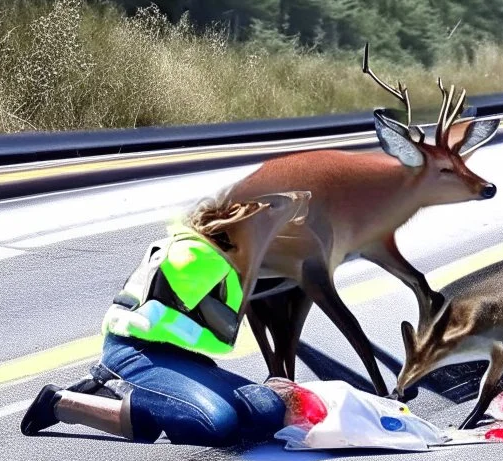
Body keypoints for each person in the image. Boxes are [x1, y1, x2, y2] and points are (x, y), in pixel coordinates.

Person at [19, 190, 313, 447]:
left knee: (267, 410)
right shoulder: (196, 256)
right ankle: (64, 402)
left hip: (180, 358)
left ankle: (151, 400)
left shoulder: (228, 257)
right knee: (217, 423)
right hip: (136, 353)